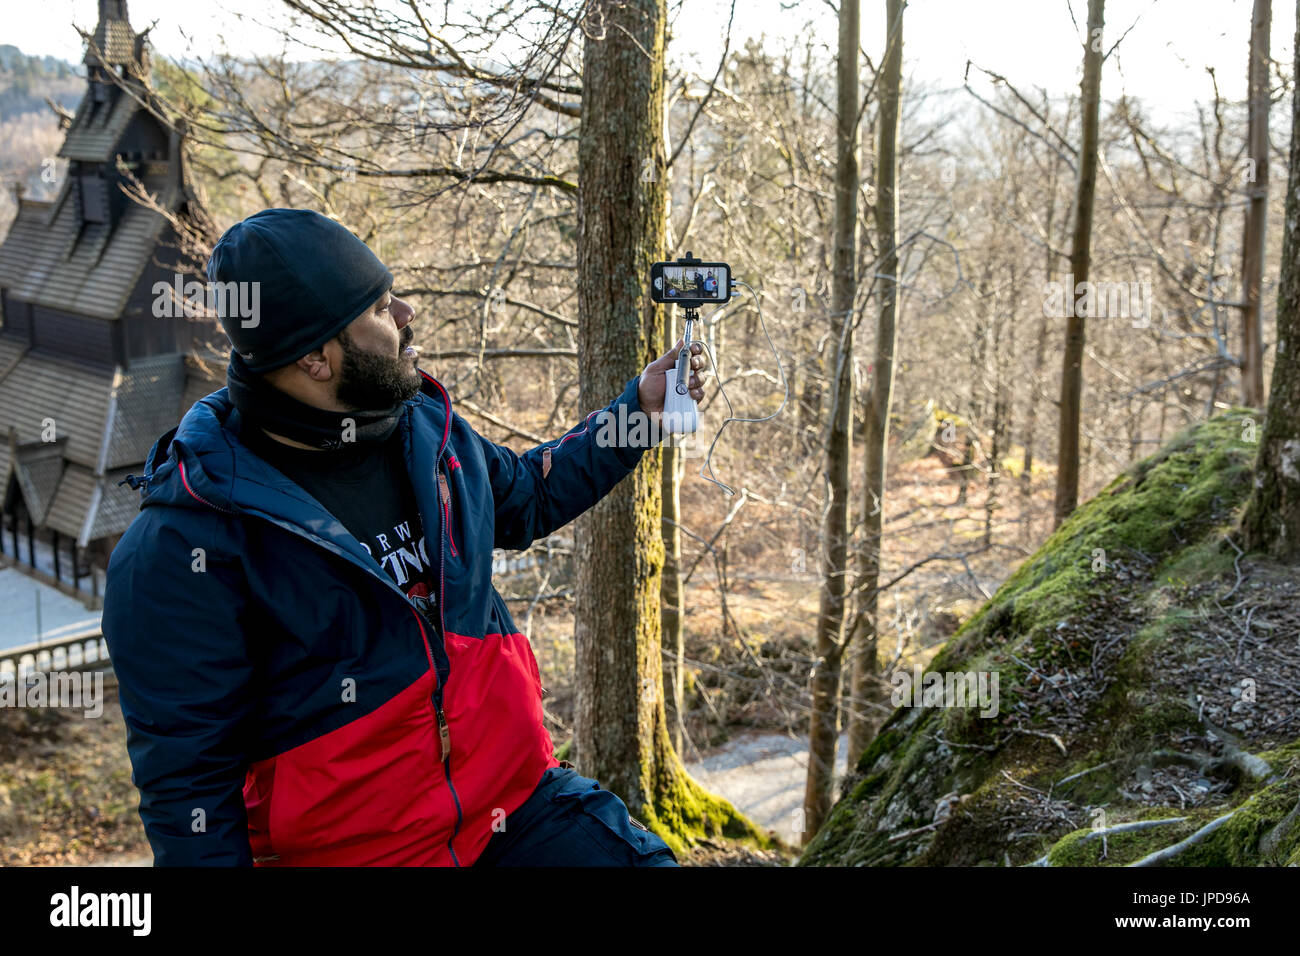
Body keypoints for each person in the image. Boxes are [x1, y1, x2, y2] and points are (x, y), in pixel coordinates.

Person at [103, 208, 708, 867]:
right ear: (316, 357)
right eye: (378, 307)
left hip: (516, 809)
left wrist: (639, 414)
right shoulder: (183, 546)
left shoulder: (424, 431)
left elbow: (527, 496)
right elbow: (189, 795)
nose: (406, 311)